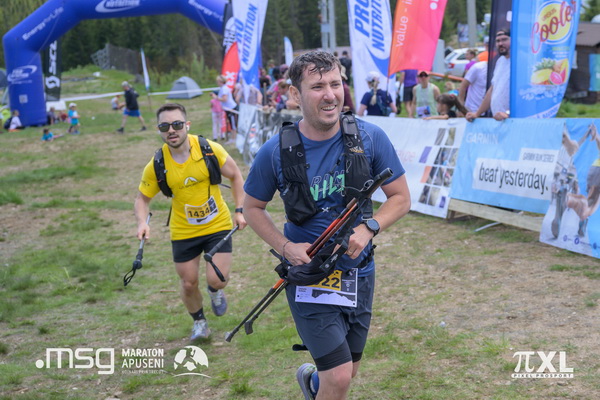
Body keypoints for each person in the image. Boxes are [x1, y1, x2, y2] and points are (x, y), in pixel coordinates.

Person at [242, 50, 411, 400]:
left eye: (336, 84)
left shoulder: (370, 137)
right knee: (338, 376)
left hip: (358, 273)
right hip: (308, 276)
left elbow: (400, 198)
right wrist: (286, 246)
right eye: (318, 86)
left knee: (347, 372)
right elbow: (253, 208)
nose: (331, 95)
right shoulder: (274, 152)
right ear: (295, 94)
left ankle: (312, 385)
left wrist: (370, 227)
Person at [134, 103, 247, 341]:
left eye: (176, 124)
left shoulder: (209, 149)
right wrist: (142, 223)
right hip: (184, 230)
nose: (171, 130)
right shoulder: (157, 164)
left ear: (187, 125)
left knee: (218, 279)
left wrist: (239, 210)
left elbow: (236, 175)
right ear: (159, 130)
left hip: (217, 225)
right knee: (188, 283)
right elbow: (142, 199)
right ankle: (200, 322)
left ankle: (215, 291)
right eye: (165, 126)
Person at [466, 29, 511, 122]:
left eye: (504, 39)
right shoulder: (500, 61)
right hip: (499, 119)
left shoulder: (521, 61)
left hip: (514, 120)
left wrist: (509, 114)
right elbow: (492, 90)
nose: (500, 44)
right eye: (498, 41)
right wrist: (477, 114)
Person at [216, 75, 238, 144]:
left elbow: (224, 99)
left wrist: (216, 97)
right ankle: (232, 138)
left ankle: (233, 138)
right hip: (228, 108)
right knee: (231, 123)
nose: (217, 83)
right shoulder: (223, 88)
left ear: (220, 82)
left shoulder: (224, 89)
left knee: (233, 124)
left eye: (218, 81)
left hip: (231, 108)